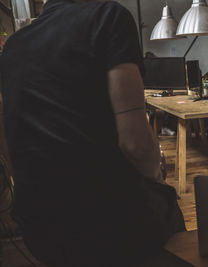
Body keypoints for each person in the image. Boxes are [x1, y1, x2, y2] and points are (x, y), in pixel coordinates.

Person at [0, 0, 185, 266]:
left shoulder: (13, 46)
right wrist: (157, 179)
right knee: (167, 204)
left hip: (38, 228)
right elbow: (136, 146)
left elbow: (9, 150)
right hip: (104, 224)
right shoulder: (108, 17)